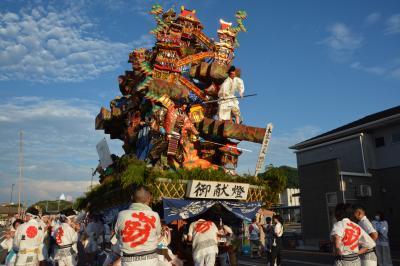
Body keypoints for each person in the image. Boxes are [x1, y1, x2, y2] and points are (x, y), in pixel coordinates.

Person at [114, 186, 161, 266]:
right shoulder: (155, 216)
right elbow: (157, 234)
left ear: (132, 198)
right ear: (149, 199)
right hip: (151, 261)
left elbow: (118, 236)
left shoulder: (121, 215)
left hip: (129, 261)